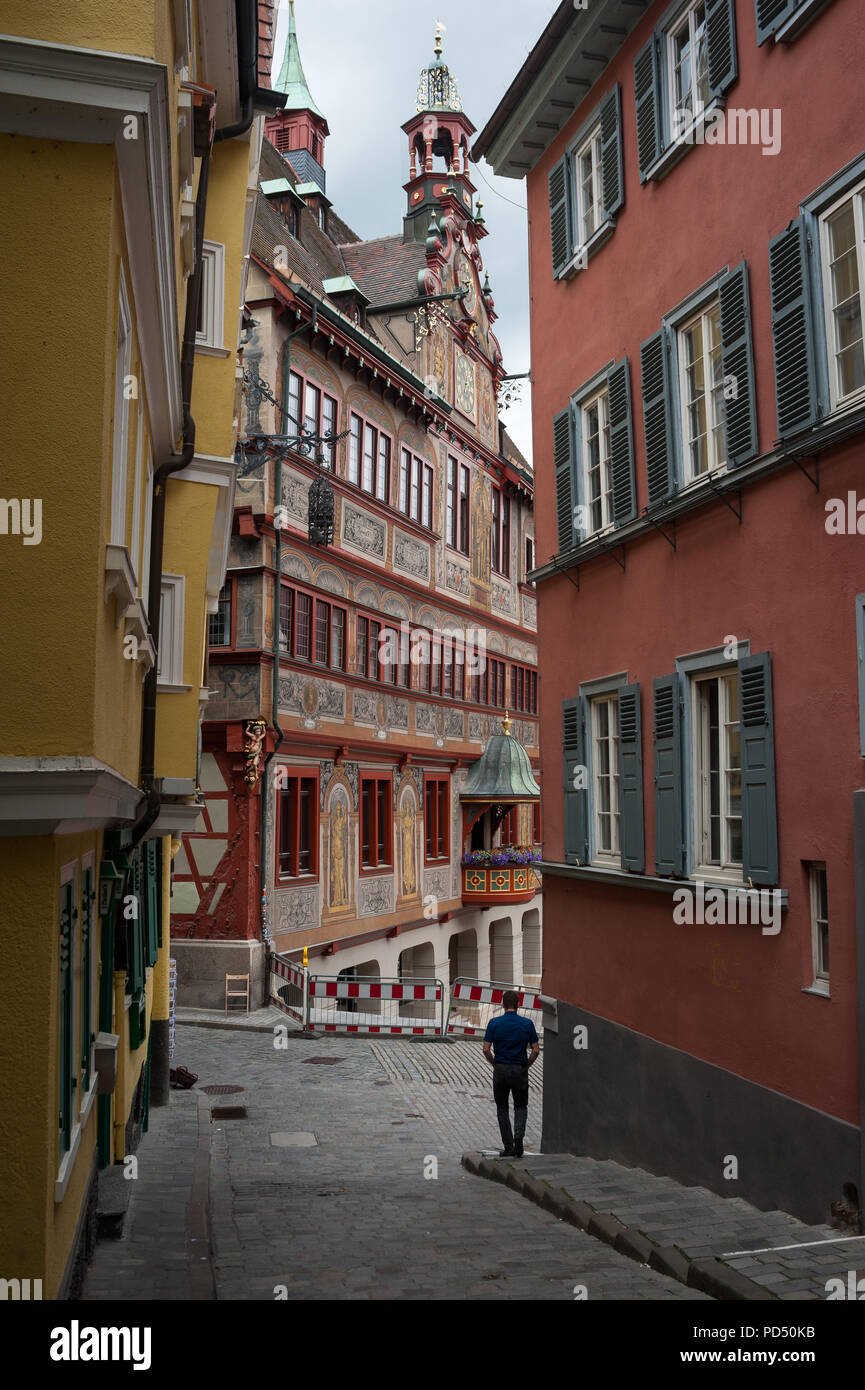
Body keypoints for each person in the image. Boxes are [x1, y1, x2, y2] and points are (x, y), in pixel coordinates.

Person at [482, 991, 539, 1158]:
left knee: (502, 1108)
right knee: (521, 1106)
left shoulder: (494, 1023)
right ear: (518, 1004)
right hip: (519, 1069)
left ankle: (508, 1146)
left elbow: (485, 1049)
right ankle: (519, 1139)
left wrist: (494, 1063)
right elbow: (536, 1050)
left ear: (502, 1004)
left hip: (501, 1069)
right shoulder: (527, 1024)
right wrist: (526, 1065)